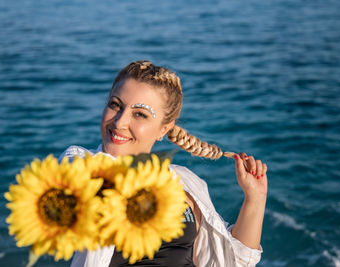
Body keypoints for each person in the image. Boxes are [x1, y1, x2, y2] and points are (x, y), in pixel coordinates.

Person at [59, 60, 268, 267]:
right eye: (115, 105)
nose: (120, 122)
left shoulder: (185, 183)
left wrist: (255, 198)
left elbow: (235, 260)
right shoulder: (78, 162)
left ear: (163, 129)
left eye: (139, 114)